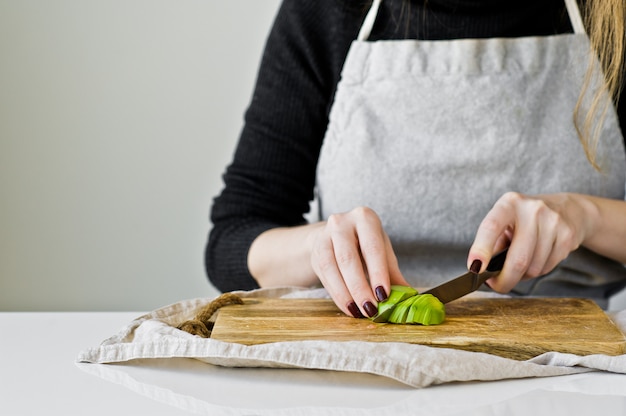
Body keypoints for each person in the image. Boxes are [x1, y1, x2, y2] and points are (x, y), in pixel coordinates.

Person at [206, 0, 626, 316]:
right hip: (369, 367)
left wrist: (585, 216)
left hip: (580, 369)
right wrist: (316, 246)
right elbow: (234, 237)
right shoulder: (328, 10)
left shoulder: (611, 16)